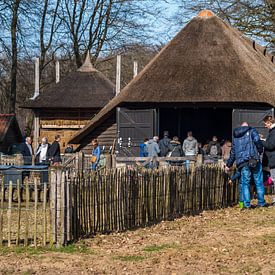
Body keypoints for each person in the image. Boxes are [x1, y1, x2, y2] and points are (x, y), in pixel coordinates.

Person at [225, 122, 266, 209]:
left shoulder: (235, 136)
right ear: (247, 126)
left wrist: (228, 164)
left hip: (242, 163)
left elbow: (233, 152)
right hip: (254, 159)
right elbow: (257, 141)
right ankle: (261, 203)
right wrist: (260, 151)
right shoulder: (252, 130)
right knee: (258, 181)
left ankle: (247, 205)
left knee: (245, 184)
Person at [261, 115, 275, 204]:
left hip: (274, 159)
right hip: (273, 159)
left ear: (269, 122)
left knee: (274, 179)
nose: (265, 125)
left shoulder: (274, 132)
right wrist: (264, 139)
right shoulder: (272, 132)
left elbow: (271, 145)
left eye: (265, 123)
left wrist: (261, 141)